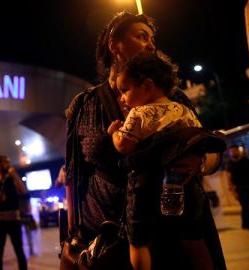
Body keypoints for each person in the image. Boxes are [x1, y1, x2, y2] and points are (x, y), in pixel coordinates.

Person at [64, 11, 226, 270]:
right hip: (107, 238)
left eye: (152, 38)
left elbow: (210, 151)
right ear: (114, 45)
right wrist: (72, 233)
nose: (151, 44)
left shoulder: (175, 99)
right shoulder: (85, 105)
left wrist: (199, 161)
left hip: (172, 233)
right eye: (141, 36)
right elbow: (73, 173)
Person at [107, 52, 208, 270]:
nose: (122, 98)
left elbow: (124, 146)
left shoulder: (139, 113)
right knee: (193, 239)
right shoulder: (185, 110)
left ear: (147, 86)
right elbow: (200, 139)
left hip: (147, 188)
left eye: (125, 90)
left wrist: (114, 132)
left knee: (139, 241)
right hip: (185, 186)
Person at [0, 155, 28, 270]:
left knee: (20, 252)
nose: (8, 164)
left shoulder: (12, 179)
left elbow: (23, 191)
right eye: (5, 162)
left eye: (8, 162)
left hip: (14, 221)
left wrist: (14, 175)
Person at [225, 145, 249, 230]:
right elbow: (229, 179)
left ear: (238, 150)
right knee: (245, 207)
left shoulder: (246, 160)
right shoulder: (230, 164)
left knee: (246, 207)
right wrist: (233, 192)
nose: (233, 152)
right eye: (231, 151)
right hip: (240, 188)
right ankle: (246, 225)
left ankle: (247, 224)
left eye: (234, 150)